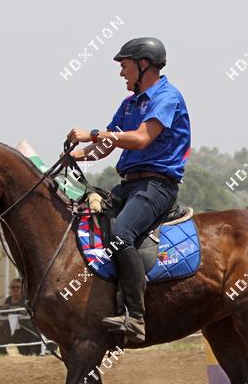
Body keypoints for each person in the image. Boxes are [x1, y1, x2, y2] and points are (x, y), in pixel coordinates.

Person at [67, 36, 192, 344]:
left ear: (143, 65)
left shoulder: (167, 97)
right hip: (129, 185)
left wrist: (92, 134)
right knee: (87, 221)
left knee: (121, 235)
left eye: (124, 66)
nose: (121, 73)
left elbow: (140, 139)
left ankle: (135, 317)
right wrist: (73, 156)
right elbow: (106, 147)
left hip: (157, 186)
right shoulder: (129, 104)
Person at [0, 279, 43, 356]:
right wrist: (2, 308)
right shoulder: (8, 300)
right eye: (13, 287)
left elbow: (33, 312)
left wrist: (24, 311)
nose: (15, 289)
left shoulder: (26, 300)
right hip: (8, 329)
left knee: (26, 344)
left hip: (24, 329)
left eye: (18, 287)